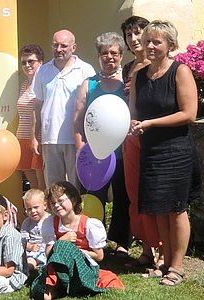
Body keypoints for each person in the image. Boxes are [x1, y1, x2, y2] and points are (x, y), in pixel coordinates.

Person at [129, 20, 201, 286]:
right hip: (150, 150)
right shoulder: (139, 75)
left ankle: (178, 267)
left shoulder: (180, 71)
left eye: (156, 41)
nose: (150, 46)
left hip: (176, 150)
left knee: (176, 209)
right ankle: (165, 261)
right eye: (148, 40)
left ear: (170, 45)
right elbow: (134, 112)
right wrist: (134, 125)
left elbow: (189, 114)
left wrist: (150, 124)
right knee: (159, 209)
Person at [73, 32, 132, 257]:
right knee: (91, 198)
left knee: (123, 197)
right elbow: (78, 120)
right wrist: (81, 150)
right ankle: (92, 241)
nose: (109, 57)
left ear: (120, 55)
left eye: (114, 53)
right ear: (98, 56)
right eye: (104, 53)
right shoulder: (88, 85)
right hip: (94, 154)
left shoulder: (127, 84)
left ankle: (122, 243)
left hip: (122, 152)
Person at [30, 181, 123, 299]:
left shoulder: (88, 224)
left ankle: (54, 289)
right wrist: (63, 240)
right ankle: (56, 288)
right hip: (60, 266)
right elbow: (48, 254)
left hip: (84, 268)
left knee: (63, 246)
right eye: (53, 203)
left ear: (73, 200)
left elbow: (99, 256)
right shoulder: (50, 223)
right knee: (60, 247)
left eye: (61, 201)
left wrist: (73, 251)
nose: (57, 205)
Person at [120, 16, 163, 270]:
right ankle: (146, 249)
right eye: (129, 35)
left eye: (139, 33)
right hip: (129, 140)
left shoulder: (157, 66)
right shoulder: (127, 68)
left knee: (154, 194)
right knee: (134, 194)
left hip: (152, 138)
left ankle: (161, 251)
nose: (134, 39)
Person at [32, 29, 95, 188]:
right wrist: (34, 136)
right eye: (55, 45)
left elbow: (92, 107)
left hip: (76, 139)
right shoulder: (43, 71)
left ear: (74, 47)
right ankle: (56, 214)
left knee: (76, 187)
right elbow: (38, 104)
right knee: (53, 188)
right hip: (50, 138)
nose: (58, 49)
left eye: (63, 45)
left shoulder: (85, 70)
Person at [17, 44, 46, 190]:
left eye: (31, 61)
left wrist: (35, 138)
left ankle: (46, 212)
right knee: (32, 187)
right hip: (22, 138)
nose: (27, 65)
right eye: (24, 62)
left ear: (40, 62)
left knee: (42, 186)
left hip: (38, 138)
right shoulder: (23, 85)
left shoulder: (43, 84)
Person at [21, 188, 50, 270]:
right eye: (29, 209)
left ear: (45, 205)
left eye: (36, 207)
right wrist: (29, 246)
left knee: (32, 260)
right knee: (27, 258)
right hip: (31, 251)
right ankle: (28, 267)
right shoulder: (27, 222)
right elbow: (22, 239)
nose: (33, 211)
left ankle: (29, 268)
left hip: (46, 249)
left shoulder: (50, 219)